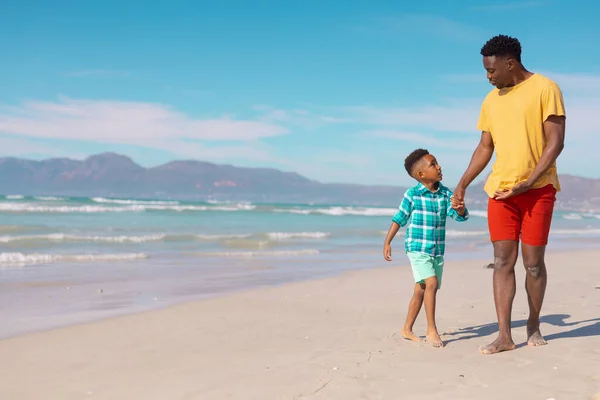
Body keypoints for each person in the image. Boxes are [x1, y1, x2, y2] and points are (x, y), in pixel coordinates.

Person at [451, 34, 566, 355]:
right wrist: (462, 184)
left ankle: (533, 323)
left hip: (538, 191)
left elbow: (555, 142)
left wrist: (530, 181)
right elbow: (485, 147)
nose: (488, 76)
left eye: (491, 70)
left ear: (510, 63)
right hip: (501, 192)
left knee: (533, 265)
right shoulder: (491, 101)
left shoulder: (546, 88)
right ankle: (504, 335)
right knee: (502, 261)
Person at [383, 149, 469, 348]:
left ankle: (406, 329)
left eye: (437, 163)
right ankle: (432, 329)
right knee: (431, 283)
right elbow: (399, 218)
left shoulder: (446, 193)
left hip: (437, 249)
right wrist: (388, 242)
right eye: (433, 164)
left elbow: (457, 216)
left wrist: (460, 209)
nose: (438, 167)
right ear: (421, 174)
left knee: (422, 288)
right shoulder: (412, 194)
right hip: (417, 247)